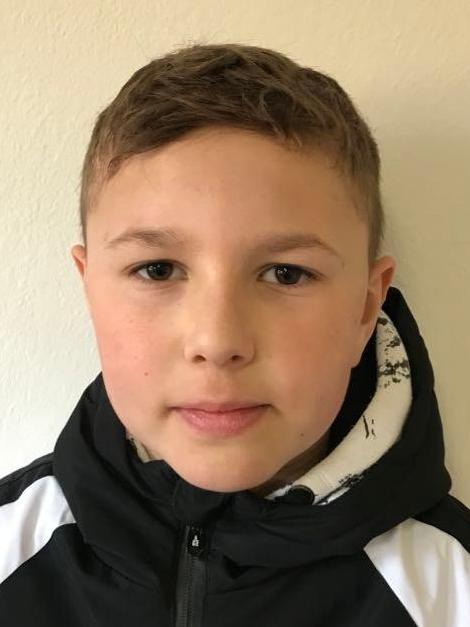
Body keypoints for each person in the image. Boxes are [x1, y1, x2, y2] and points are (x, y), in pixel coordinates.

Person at [0, 41, 468, 626]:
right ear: (89, 289)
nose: (217, 341)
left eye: (286, 273)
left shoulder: (451, 590)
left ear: (366, 308)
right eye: (157, 270)